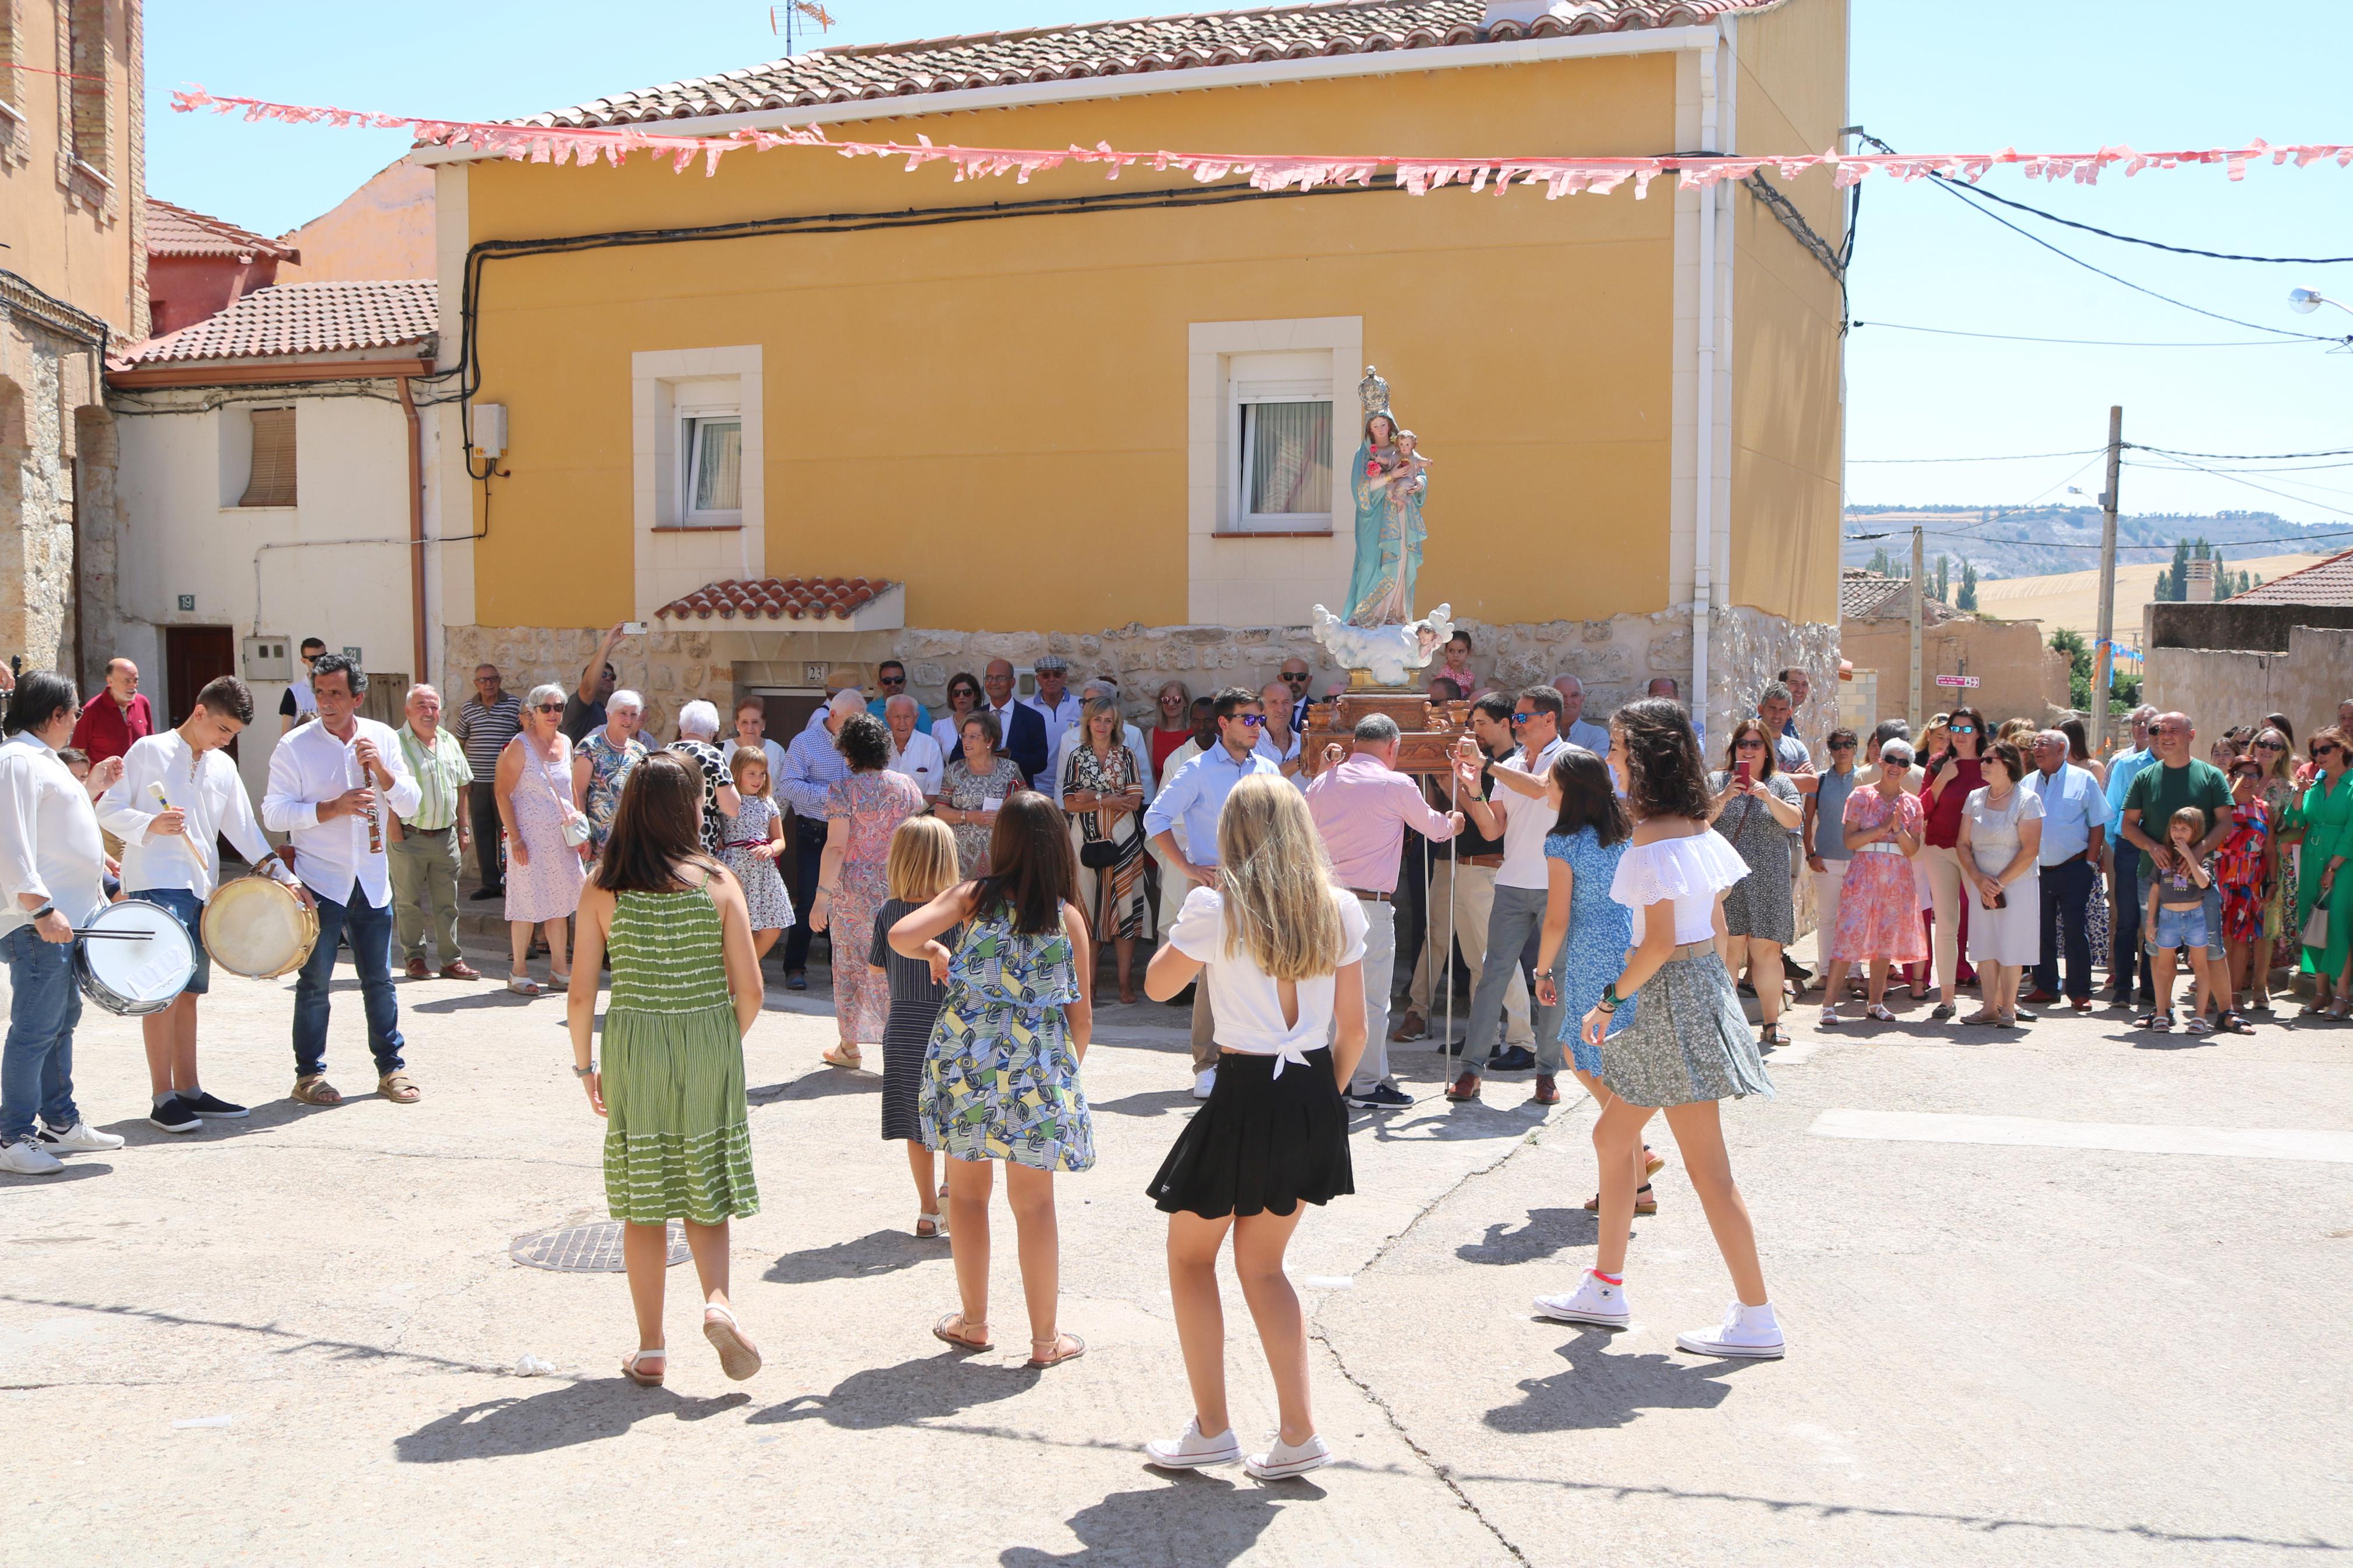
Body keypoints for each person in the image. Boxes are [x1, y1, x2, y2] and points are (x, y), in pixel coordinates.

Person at [1534, 698, 1783, 1360]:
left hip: (1669, 997)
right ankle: (1605, 1284)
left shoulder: (1655, 837)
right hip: (1693, 990)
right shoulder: (1693, 826)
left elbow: (1659, 943)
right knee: (1616, 1138)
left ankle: (1753, 1317)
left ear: (1642, 758)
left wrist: (1607, 1002)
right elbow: (1715, 915)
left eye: (1617, 747)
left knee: (1703, 1170)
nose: (1610, 757)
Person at [1140, 774, 1364, 1481]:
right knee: (1264, 1267)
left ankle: (1212, 1427)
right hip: (1311, 1093)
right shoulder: (1340, 908)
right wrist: (1314, 1107)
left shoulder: (1217, 906)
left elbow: (1155, 986)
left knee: (1188, 1256)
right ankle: (1297, 1431)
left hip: (1243, 1090)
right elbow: (1354, 1030)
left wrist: (1187, 927)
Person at [567, 751, 766, 1388]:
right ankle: (717, 1301)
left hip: (636, 1046)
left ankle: (651, 1348)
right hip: (705, 1036)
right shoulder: (716, 880)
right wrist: (715, 1039)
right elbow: (752, 990)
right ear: (689, 808)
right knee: (706, 1188)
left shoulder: (602, 883)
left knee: (645, 1201)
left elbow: (579, 994)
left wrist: (584, 1066)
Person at [895, 792, 1094, 1370]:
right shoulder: (1067, 916)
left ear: (1001, 842)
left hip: (966, 1065)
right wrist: (1056, 1072)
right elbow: (1081, 1020)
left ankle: (975, 1323)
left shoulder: (973, 897)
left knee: (968, 1198)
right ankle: (1043, 1340)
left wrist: (936, 950)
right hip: (1035, 1072)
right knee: (1034, 1206)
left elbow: (901, 934)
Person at [99, 674, 303, 1129]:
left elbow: (245, 831)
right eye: (223, 730)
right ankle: (161, 1097)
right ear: (199, 712)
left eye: (232, 734)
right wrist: (151, 824)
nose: (226, 741)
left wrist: (286, 877)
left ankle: (189, 1089)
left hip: (201, 889)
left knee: (189, 994)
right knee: (162, 995)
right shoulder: (148, 750)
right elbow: (106, 809)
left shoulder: (222, 766)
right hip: (154, 883)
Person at [262, 653, 424, 1107]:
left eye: (336, 693)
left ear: (358, 696)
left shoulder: (383, 737)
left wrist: (385, 773)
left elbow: (411, 803)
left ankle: (391, 1069)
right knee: (315, 983)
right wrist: (330, 808)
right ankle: (309, 1075)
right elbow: (273, 811)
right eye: (319, 693)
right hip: (319, 881)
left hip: (372, 879)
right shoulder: (295, 746)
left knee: (380, 980)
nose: (326, 702)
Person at [0, 673, 129, 1174]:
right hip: (40, 924)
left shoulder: (38, 759)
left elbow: (54, 828)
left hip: (62, 921)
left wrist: (95, 855)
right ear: (55, 715)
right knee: (36, 1028)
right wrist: (38, 907)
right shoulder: (15, 759)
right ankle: (11, 1135)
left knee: (60, 1022)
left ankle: (59, 1122)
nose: (78, 720)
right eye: (74, 712)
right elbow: (9, 838)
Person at [1304, 714, 1461, 1110]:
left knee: (1325, 995)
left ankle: (1329, 1078)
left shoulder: (1324, 781)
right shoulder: (1395, 783)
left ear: (1357, 743)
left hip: (1323, 902)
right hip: (1366, 905)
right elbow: (1436, 830)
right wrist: (1455, 820)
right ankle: (1367, 1083)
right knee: (1371, 998)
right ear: (1392, 747)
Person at [1532, 746, 1665, 1208]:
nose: (1545, 788)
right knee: (1600, 1056)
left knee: (1583, 1054)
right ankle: (1637, 1177)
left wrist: (1541, 970)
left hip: (1591, 951)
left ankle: (1632, 1158)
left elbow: (1555, 918)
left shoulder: (1562, 842)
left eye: (1551, 781)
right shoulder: (1625, 831)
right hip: (1629, 945)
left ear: (1568, 791)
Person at [1147, 688, 1285, 1099]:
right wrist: (1188, 867)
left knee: (1263, 969)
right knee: (1211, 975)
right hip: (1216, 883)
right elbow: (1156, 818)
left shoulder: (1268, 768)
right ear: (1223, 723)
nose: (1256, 726)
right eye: (1247, 719)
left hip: (1263, 884)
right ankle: (1206, 1065)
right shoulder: (1197, 770)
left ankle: (1256, 1056)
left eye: (1259, 719)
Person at [1451, 686, 1574, 1100]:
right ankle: (1470, 1070)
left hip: (1557, 885)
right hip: (1511, 884)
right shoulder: (1511, 764)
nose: (1516, 723)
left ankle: (1546, 1073)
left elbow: (1541, 788)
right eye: (1516, 717)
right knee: (1492, 976)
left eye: (1523, 717)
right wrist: (1471, 787)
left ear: (1549, 720)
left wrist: (1485, 766)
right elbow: (1491, 829)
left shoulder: (1567, 759)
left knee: (1552, 980)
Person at [1399, 694, 1535, 1051]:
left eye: (1481, 724)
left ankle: (1522, 1038)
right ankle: (1484, 1037)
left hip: (1489, 867)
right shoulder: (1489, 762)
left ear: (1505, 724)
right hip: (1464, 863)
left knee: (1496, 957)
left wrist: (1454, 788)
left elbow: (1491, 827)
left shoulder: (1512, 766)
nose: (1474, 731)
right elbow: (1444, 812)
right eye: (1471, 724)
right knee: (1477, 959)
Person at [808, 712, 926, 1068]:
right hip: (900, 886)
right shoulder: (907, 786)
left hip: (853, 893)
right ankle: (901, 1042)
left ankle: (850, 1046)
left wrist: (820, 897)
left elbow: (836, 847)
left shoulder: (843, 790)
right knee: (898, 963)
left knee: (851, 964)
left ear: (849, 752)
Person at [869, 817, 961, 1239]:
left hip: (904, 1023)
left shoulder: (889, 912)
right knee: (956, 1116)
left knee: (915, 1123)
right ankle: (953, 1190)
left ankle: (927, 1211)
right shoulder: (960, 916)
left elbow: (875, 967)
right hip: (952, 1024)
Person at [2118, 712, 2236, 1030]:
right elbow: (2129, 825)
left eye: (2173, 730)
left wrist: (2199, 850)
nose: (2164, 735)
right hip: (2154, 876)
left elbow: (2225, 821)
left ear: (2191, 735)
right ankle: (2161, 1010)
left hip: (2199, 877)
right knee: (2157, 946)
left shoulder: (2210, 776)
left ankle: (2226, 1012)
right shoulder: (2145, 777)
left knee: (2211, 946)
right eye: (2158, 730)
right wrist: (2151, 847)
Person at [1705, 718, 1805, 1046]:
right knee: (1730, 948)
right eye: (1742, 744)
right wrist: (1723, 797)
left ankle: (1772, 1024)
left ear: (1767, 750)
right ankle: (1728, 1027)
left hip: (1768, 879)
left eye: (1755, 744)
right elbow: (1698, 822)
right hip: (1727, 879)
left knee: (1766, 950)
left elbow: (1794, 819)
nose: (1748, 750)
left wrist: (1767, 798)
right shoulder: (1716, 781)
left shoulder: (1780, 784)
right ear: (1734, 749)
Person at [1819, 738, 1926, 1025]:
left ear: (1908, 769)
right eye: (1891, 760)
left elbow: (1913, 848)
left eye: (1903, 763)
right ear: (1881, 761)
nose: (1895, 767)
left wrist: (1898, 828)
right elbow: (1850, 840)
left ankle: (1875, 1002)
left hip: (1897, 876)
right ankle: (1829, 1004)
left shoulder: (1913, 804)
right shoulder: (1860, 796)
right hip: (1864, 870)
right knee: (1848, 933)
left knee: (1885, 941)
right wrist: (1881, 828)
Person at [497, 684, 588, 996]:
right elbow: (502, 793)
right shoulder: (519, 745)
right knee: (526, 903)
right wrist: (516, 838)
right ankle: (518, 970)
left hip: (561, 838)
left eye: (558, 707)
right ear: (533, 713)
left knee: (561, 904)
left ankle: (559, 969)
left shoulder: (566, 742)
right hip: (529, 838)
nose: (553, 713)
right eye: (546, 708)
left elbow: (571, 790)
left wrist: (579, 826)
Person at [1062, 694, 1151, 1005]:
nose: (1102, 725)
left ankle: (1126, 985)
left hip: (1124, 840)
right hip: (1084, 841)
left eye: (1108, 720)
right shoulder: (1076, 756)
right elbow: (1069, 803)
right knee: (1086, 910)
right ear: (1088, 722)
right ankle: (1089, 986)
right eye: (1097, 719)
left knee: (1125, 910)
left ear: (1116, 724)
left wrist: (1093, 796)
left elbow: (1135, 801)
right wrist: (1108, 799)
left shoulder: (1126, 756)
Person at [389, 683, 481, 982]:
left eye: (433, 707)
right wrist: (394, 833)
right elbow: (384, 790)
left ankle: (451, 961)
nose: (428, 713)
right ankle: (414, 958)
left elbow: (462, 787)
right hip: (409, 835)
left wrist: (463, 829)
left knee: (448, 903)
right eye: (422, 706)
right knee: (408, 903)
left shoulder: (449, 741)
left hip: (446, 837)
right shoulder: (395, 743)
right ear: (408, 711)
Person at [2020, 729, 2109, 1013]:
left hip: (2074, 867)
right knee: (2040, 930)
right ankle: (2046, 986)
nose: (2037, 749)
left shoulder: (2084, 779)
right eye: (2035, 745)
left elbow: (2097, 823)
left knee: (2075, 930)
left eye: (2043, 744)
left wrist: (2091, 864)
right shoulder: (2028, 782)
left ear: (2061, 749)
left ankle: (2079, 991)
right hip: (2037, 869)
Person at [1957, 741, 2044, 1028]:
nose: (1983, 764)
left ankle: (2008, 1009)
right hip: (1981, 883)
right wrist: (1980, 880)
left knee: (2012, 945)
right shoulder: (1975, 798)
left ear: (2007, 764)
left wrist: (1998, 884)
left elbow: (2030, 849)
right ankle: (1988, 1008)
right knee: (1985, 945)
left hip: (2017, 885)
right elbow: (1963, 843)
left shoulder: (2027, 800)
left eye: (1989, 760)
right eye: (1983, 759)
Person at [773, 691, 852, 988]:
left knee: (842, 901)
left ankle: (839, 972)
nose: (855, 725)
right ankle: (795, 967)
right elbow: (789, 785)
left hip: (848, 832)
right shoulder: (804, 742)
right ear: (833, 716)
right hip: (814, 830)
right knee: (809, 899)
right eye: (850, 720)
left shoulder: (857, 741)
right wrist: (833, 798)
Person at [1918, 706, 1992, 1019]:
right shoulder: (1939, 763)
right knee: (1947, 923)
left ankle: (1996, 999)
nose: (1960, 736)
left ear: (1978, 732)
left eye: (1967, 729)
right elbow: (1922, 808)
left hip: (1981, 853)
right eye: (1955, 729)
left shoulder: (1992, 763)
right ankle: (1947, 998)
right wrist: (1942, 780)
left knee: (1987, 923)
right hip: (1939, 849)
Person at [2140, 807, 2231, 1033]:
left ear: (2196, 832)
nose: (2177, 833)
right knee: (2163, 968)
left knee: (2200, 968)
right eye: (2174, 828)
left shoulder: (2204, 861)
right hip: (2168, 918)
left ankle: (2199, 1018)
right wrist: (2151, 922)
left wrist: (2190, 857)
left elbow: (2203, 884)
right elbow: (2154, 892)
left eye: (2184, 829)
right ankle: (2161, 1013)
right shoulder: (2164, 858)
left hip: (2195, 918)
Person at [2284, 727, 2353, 1018]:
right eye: (2315, 751)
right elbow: (2295, 819)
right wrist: (2300, 790)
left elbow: (2351, 831)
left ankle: (2343, 995)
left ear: (2341, 750)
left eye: (2325, 750)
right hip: (2312, 857)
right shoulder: (2314, 784)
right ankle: (2321, 993)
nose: (2319, 756)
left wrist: (2333, 867)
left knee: (2338, 924)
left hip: (2343, 862)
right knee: (2313, 922)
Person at [2102, 705, 2162, 1008]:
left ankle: (2152, 990)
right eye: (2138, 723)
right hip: (2129, 851)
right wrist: (2120, 846)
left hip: (2165, 854)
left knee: (2155, 922)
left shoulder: (2182, 766)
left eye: (2151, 725)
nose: (2145, 730)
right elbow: (2112, 812)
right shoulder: (2127, 765)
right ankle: (2123, 987)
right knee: (2126, 922)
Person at [1149, 696, 1218, 951]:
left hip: (1218, 853)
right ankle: (1178, 988)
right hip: (1184, 853)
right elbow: (1161, 814)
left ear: (1219, 722)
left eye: (1208, 720)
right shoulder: (1176, 760)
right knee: (1178, 915)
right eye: (1197, 721)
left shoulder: (1231, 757)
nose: (1203, 727)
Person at [719, 746, 794, 963]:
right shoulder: (727, 800)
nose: (758, 779)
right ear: (737, 772)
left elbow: (780, 840)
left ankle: (743, 968)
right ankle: (730, 977)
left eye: (762, 774)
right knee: (737, 928)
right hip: (735, 871)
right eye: (751, 773)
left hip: (763, 873)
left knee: (772, 928)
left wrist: (771, 848)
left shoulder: (768, 803)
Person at [938, 710, 1028, 880]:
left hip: (1001, 852)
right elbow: (940, 811)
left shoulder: (1010, 770)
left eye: (974, 737)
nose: (967, 741)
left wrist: (1004, 819)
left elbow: (1026, 809)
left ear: (990, 741)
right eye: (964, 736)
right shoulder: (953, 771)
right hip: (961, 856)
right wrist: (970, 816)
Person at [2247, 725, 2301, 1011]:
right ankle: (2234, 983)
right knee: (2237, 923)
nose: (2267, 749)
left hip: (2271, 864)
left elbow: (2297, 828)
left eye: (2275, 746)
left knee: (2267, 926)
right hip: (2237, 862)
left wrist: (2272, 839)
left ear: (2283, 754)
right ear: (2254, 746)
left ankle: (2260, 985)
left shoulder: (2288, 788)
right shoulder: (2238, 778)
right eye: (2263, 743)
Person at [2216, 756, 2273, 1017]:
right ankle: (2216, 992)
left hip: (2250, 878)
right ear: (2232, 775)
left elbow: (2270, 850)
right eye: (2243, 774)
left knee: (2240, 938)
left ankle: (2235, 992)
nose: (2248, 780)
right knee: (2217, 937)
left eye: (2254, 775)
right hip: (2220, 876)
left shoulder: (2264, 808)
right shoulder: (2219, 804)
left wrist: (2271, 882)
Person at [1802, 728, 1860, 986]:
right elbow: (1807, 819)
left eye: (1848, 744)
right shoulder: (1821, 780)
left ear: (1855, 748)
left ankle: (1855, 972)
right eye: (1837, 745)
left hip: (1859, 860)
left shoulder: (1864, 779)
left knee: (1855, 918)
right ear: (1831, 749)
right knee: (1828, 918)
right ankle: (1825, 971)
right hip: (1827, 859)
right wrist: (1810, 853)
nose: (1842, 750)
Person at [460, 664, 523, 899]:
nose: (489, 684)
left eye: (493, 679)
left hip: (507, 785)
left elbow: (523, 736)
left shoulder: (514, 705)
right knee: (483, 833)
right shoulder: (468, 709)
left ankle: (511, 883)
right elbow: (461, 742)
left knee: (507, 832)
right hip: (477, 783)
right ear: (475, 683)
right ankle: (490, 884)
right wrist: (463, 777)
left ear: (500, 680)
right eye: (483, 680)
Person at [572, 688, 647, 869]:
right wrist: (583, 837)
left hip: (632, 840)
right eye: (623, 713)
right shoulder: (590, 748)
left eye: (633, 715)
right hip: (598, 843)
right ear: (608, 714)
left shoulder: (640, 751)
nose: (628, 720)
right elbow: (578, 793)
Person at [69, 657, 155, 769]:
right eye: (127, 681)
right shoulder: (91, 711)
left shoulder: (143, 703)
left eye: (136, 680)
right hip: (106, 783)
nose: (133, 686)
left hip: (139, 781)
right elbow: (78, 753)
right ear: (110, 681)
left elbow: (150, 743)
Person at [978, 659, 1050, 787]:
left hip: (1017, 795)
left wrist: (1011, 756)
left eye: (1000, 678)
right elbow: (957, 755)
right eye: (989, 678)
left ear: (1012, 682)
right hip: (980, 791)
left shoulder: (1032, 718)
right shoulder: (975, 717)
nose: (994, 682)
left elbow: (1040, 763)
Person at [562, 623, 628, 743]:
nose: (608, 678)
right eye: (603, 675)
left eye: (611, 676)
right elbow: (588, 689)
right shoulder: (578, 708)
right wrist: (608, 645)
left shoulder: (615, 711)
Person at [882, 694, 944, 800]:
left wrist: (913, 814)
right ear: (887, 718)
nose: (902, 723)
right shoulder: (879, 746)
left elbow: (934, 793)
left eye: (907, 717)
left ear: (916, 718)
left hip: (920, 813)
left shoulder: (930, 746)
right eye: (897, 716)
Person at [719, 697, 789, 792]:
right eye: (745, 722)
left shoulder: (776, 751)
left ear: (763, 724)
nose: (750, 727)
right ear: (737, 724)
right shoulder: (722, 750)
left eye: (755, 722)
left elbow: (785, 789)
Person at [1026, 654, 1084, 737]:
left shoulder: (1080, 705)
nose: (1052, 679)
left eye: (1057, 674)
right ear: (1038, 679)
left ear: (1065, 678)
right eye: (1045, 675)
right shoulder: (1027, 706)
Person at [868, 659, 932, 733]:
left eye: (898, 680)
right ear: (880, 684)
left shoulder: (919, 710)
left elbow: (928, 741)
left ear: (904, 683)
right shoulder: (869, 711)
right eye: (887, 681)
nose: (893, 684)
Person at [1149, 681, 1195, 781]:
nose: (1171, 704)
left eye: (1177, 699)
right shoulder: (1152, 734)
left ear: (1186, 703)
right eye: (1166, 700)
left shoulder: (1194, 733)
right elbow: (1150, 775)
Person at [1552, 674, 1610, 753]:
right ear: (1551, 701)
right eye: (1562, 696)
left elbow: (1594, 766)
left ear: (1582, 698)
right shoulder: (1539, 735)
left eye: (1574, 696)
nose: (1568, 702)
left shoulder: (1597, 736)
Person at [932, 671, 984, 759]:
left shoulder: (985, 724)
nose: (961, 697)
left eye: (967, 692)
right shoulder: (940, 727)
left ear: (976, 695)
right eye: (956, 693)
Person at [1254, 681, 1303, 772]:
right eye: (1274, 702)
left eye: (1286, 702)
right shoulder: (1253, 744)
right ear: (1262, 709)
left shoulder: (1304, 742)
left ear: (1293, 706)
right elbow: (1258, 784)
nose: (1281, 709)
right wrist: (1299, 761)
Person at [279, 638, 326, 734]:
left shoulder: (338, 688)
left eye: (322, 656)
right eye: (313, 658)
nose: (319, 661)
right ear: (304, 661)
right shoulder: (293, 692)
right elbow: (286, 734)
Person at [1276, 657, 1316, 734]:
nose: (1294, 681)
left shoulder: (1319, 712)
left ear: (1309, 680)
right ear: (1280, 679)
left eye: (1301, 677)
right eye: (1288, 676)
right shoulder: (1269, 710)